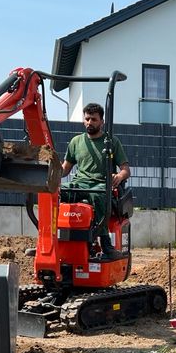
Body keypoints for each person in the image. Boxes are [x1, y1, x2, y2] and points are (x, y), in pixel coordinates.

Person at [60, 103, 130, 259]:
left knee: (98, 196)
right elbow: (65, 169)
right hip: (79, 183)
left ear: (102, 121)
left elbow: (126, 169)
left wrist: (119, 176)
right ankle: (50, 240)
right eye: (87, 119)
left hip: (100, 185)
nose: (89, 122)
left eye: (94, 119)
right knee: (57, 194)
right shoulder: (76, 142)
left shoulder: (111, 142)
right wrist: (50, 171)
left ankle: (106, 245)